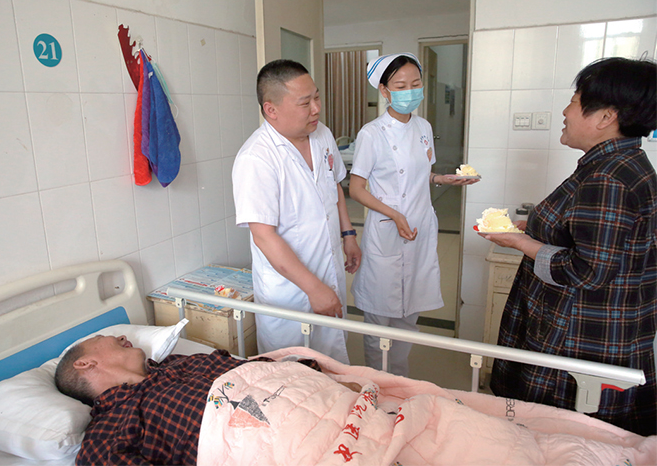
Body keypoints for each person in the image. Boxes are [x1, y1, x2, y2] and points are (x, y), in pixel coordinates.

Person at [481, 57, 656, 436]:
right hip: (590, 328)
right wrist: (537, 228)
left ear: (606, 116)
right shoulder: (620, 163)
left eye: (574, 102)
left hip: (578, 336)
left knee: (562, 436)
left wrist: (520, 242)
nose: (565, 111)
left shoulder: (609, 178)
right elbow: (593, 236)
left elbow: (588, 270)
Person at [348, 53, 478, 376]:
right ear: (384, 90)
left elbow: (420, 174)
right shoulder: (371, 134)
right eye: (401, 85)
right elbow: (357, 188)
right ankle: (377, 383)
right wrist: (394, 214)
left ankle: (400, 382)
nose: (410, 91)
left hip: (418, 228)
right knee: (379, 320)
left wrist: (441, 178)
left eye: (416, 84)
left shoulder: (423, 127)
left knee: (408, 318)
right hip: (387, 230)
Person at [232, 59, 361, 363]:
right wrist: (314, 289)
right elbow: (264, 236)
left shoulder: (322, 135)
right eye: (305, 103)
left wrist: (348, 234)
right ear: (271, 109)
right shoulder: (257, 159)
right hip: (289, 292)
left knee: (332, 364)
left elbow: (334, 186)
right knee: (294, 372)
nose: (316, 109)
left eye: (317, 97)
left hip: (328, 269)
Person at [55, 335, 350, 465]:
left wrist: (325, 380)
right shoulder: (107, 435)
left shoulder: (181, 362)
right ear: (84, 363)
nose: (121, 337)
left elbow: (261, 371)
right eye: (104, 338)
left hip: (341, 408)